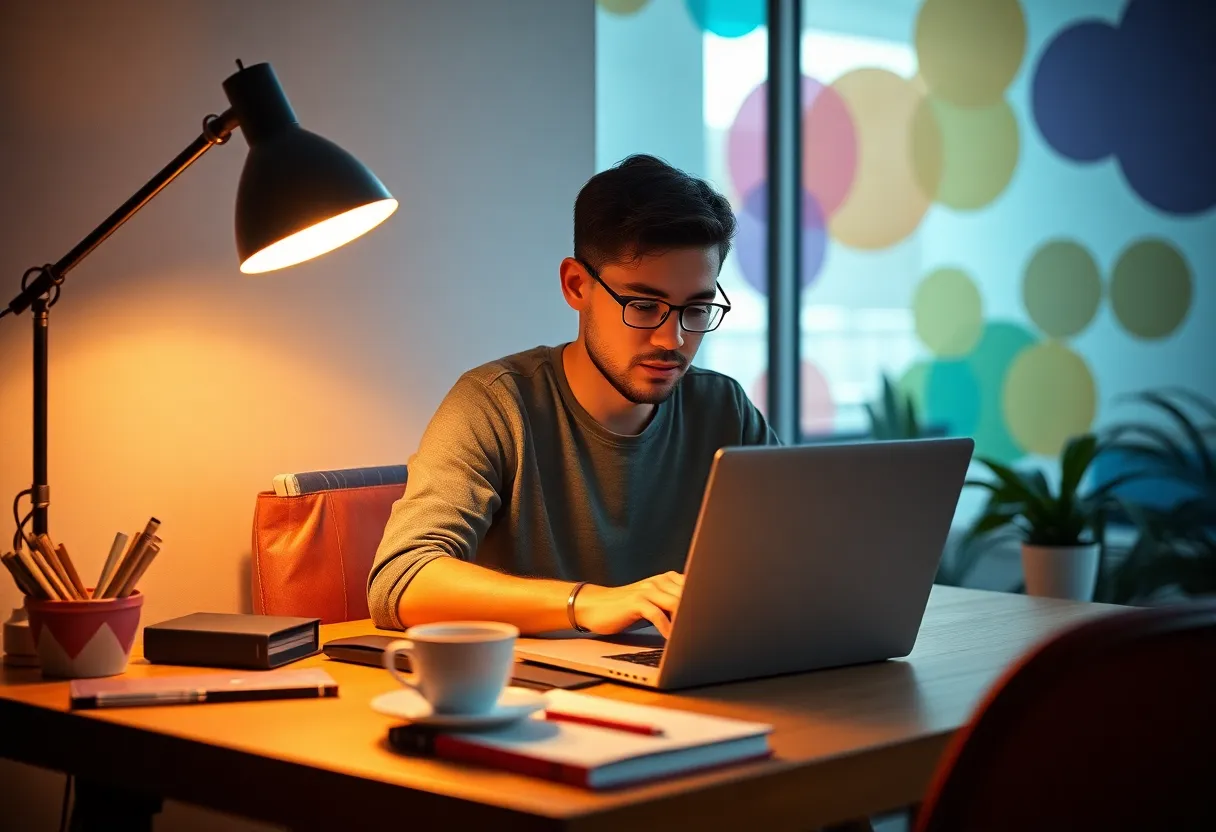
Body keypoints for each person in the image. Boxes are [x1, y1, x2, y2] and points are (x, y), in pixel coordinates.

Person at [366, 153, 778, 638]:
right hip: (539, 698)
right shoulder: (495, 405)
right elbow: (400, 580)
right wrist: (585, 603)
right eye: (644, 306)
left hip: (691, 686)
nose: (673, 339)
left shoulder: (724, 410)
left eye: (696, 308)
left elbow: (803, 554)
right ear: (576, 285)